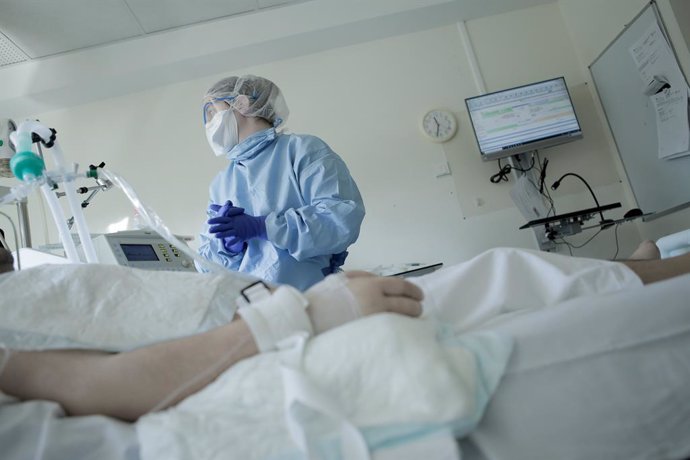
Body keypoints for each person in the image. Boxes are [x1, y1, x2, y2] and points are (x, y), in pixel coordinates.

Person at [1, 241, 690, 423]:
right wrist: (310, 313)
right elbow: (99, 383)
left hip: (277, 313)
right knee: (505, 276)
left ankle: (637, 270)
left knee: (501, 274)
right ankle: (649, 274)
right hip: (278, 338)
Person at [196, 75, 365, 290]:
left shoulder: (303, 151)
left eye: (213, 111)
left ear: (242, 104)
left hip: (316, 294)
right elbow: (207, 268)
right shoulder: (221, 184)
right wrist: (228, 247)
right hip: (259, 306)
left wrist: (264, 227)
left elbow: (340, 221)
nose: (209, 123)